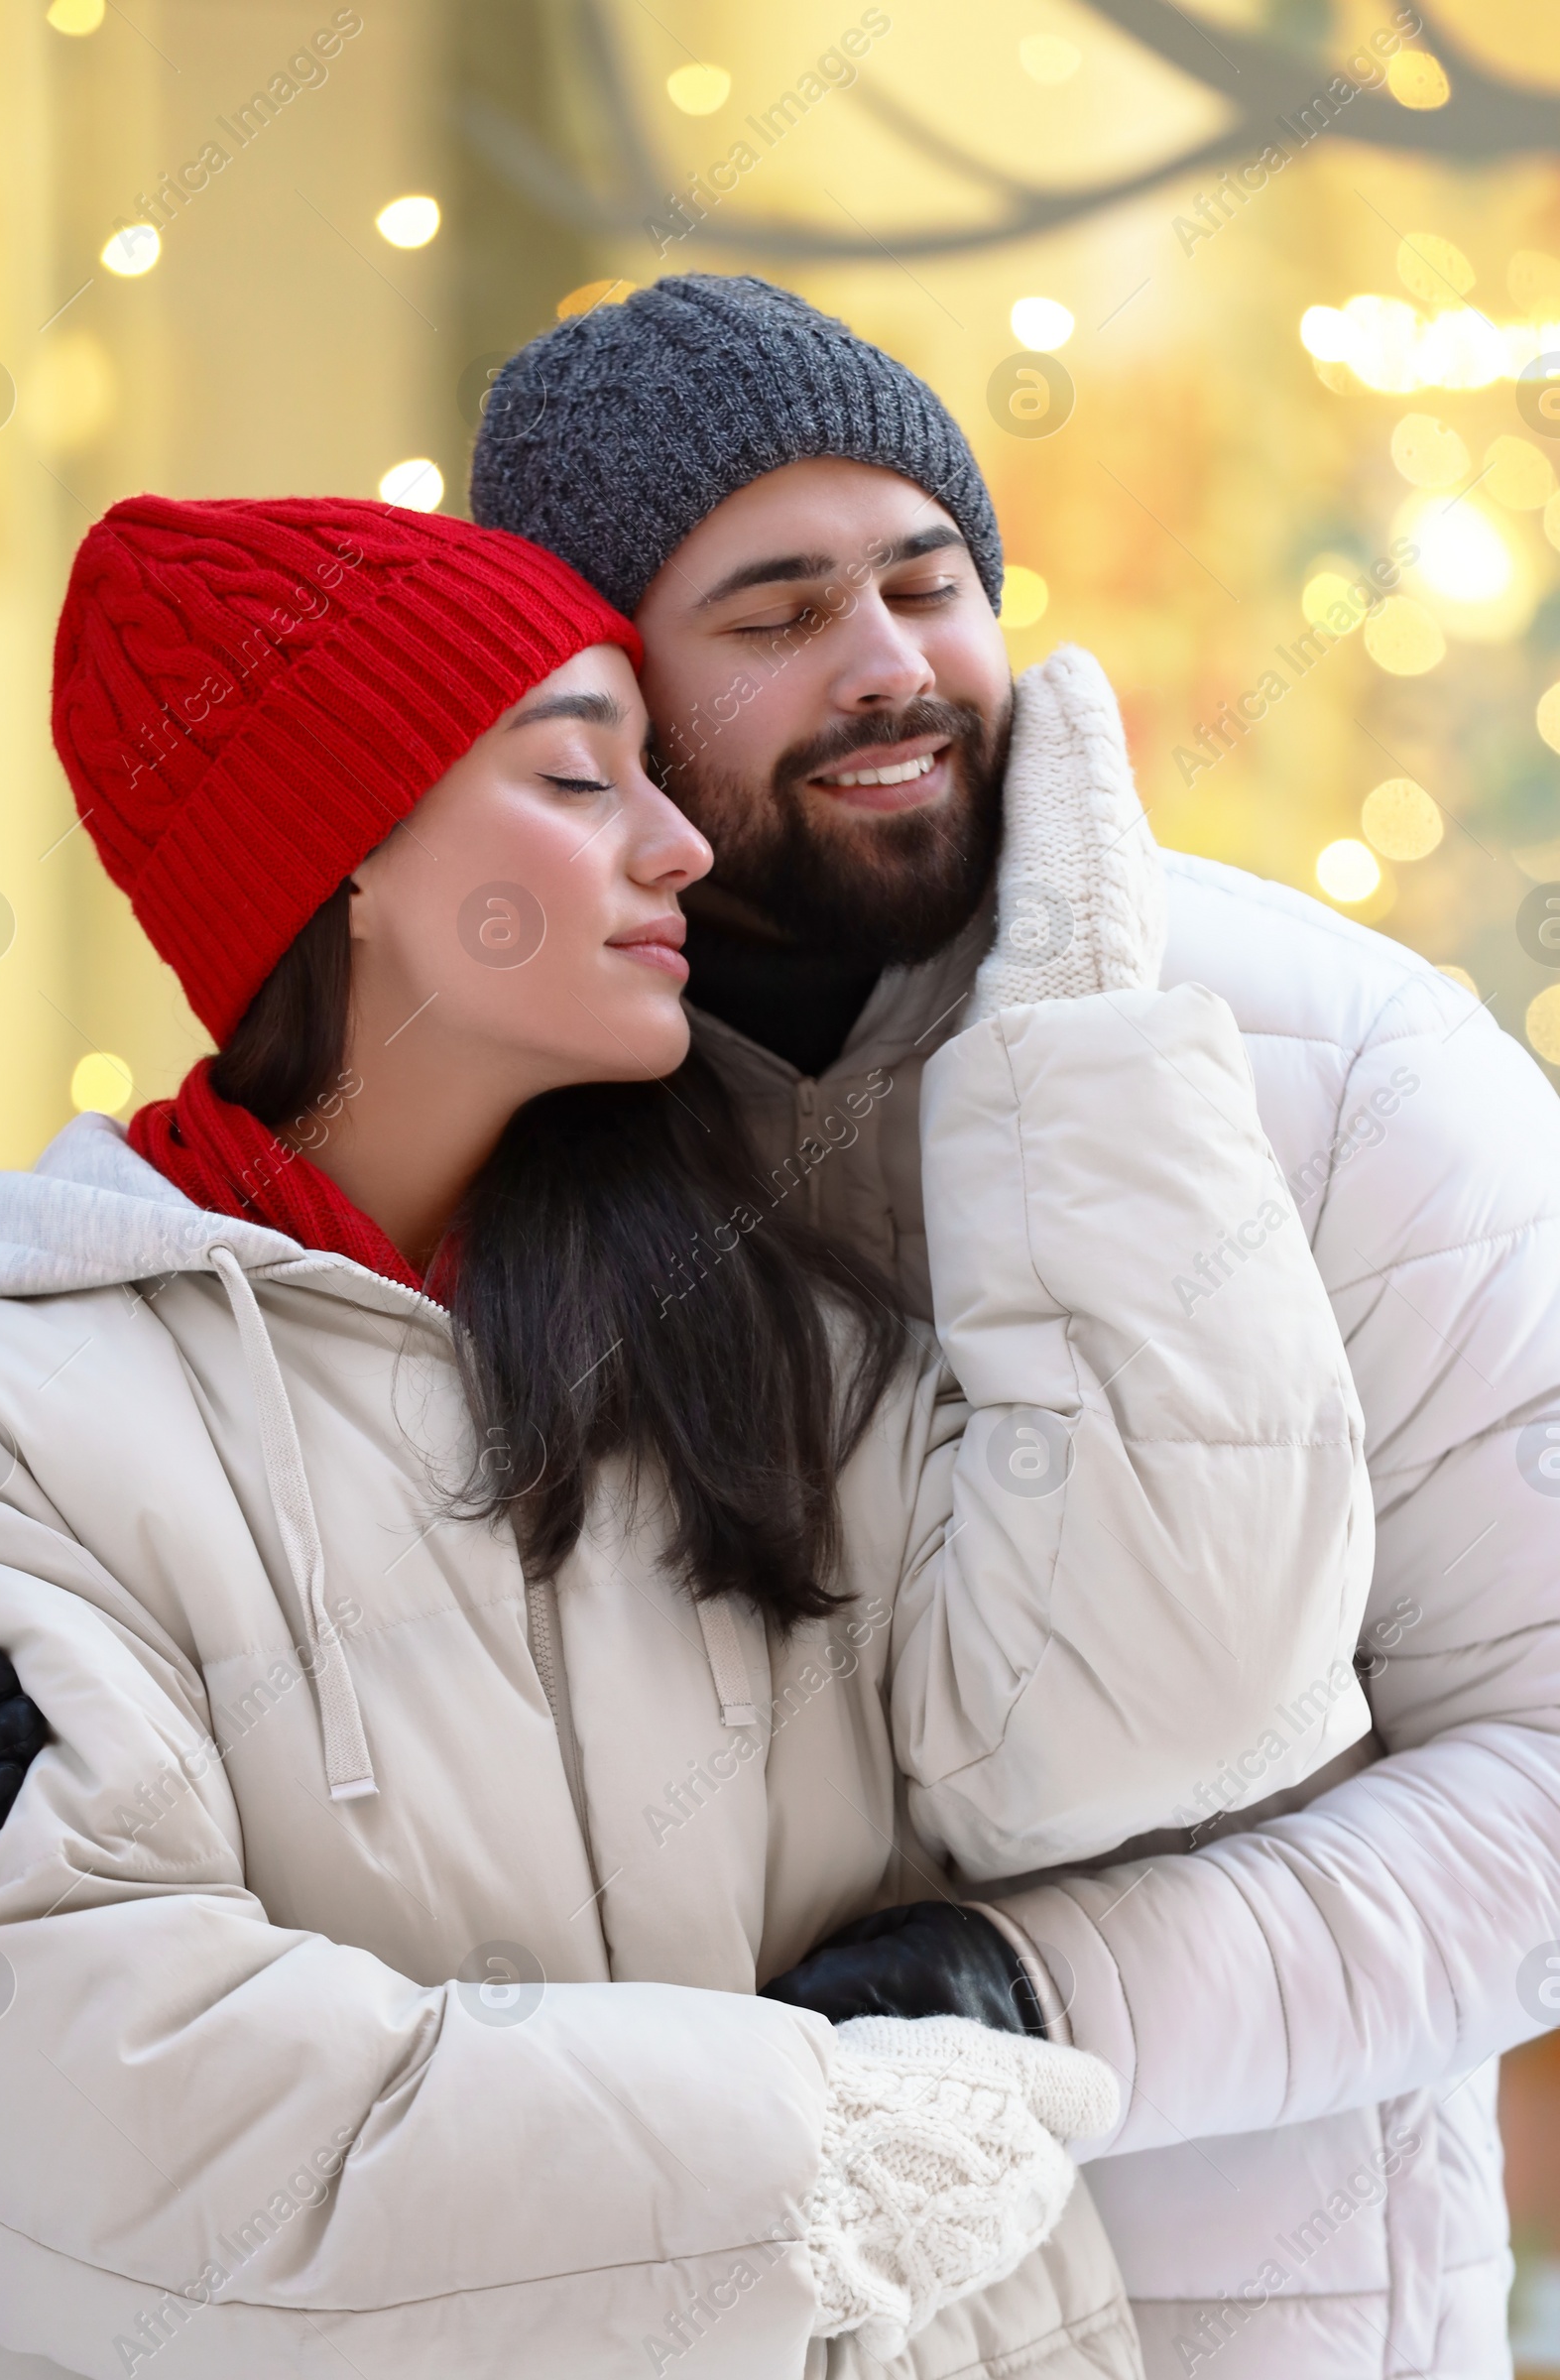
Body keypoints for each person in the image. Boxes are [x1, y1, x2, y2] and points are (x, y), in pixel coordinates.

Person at [0, 495, 1370, 2379]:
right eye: (576, 779)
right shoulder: (28, 1424)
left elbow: (1166, 1712)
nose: (681, 845)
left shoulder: (755, 1321)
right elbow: (112, 2129)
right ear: (352, 866)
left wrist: (1082, 1024)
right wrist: (818, 2158)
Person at [465, 272, 1560, 2380]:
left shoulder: (1342, 1073)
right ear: (595, 694)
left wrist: (1029, 2001)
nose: (887, 671)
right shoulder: (490, 1109)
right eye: (775, 618)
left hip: (1226, 2327)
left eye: (925, 580)